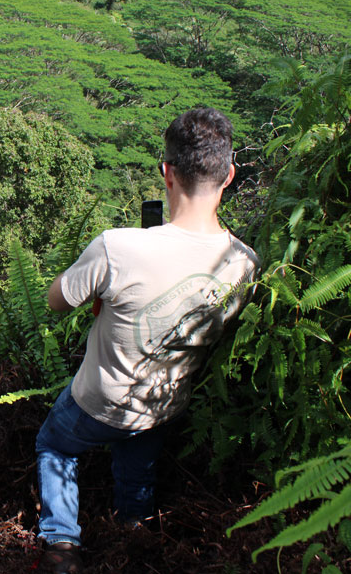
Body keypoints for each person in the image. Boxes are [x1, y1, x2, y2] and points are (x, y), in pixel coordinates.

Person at [35, 108, 259, 574]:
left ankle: (60, 544)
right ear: (230, 175)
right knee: (137, 469)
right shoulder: (245, 264)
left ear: (167, 173)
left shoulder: (119, 247)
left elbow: (57, 301)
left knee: (55, 445)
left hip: (97, 402)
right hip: (163, 407)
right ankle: (134, 532)